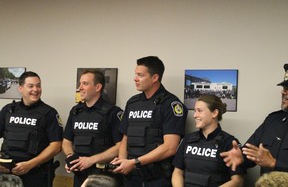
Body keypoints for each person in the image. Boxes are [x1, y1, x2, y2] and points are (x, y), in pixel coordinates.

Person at [112, 56, 188, 187]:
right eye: (135, 74)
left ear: (155, 78)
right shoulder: (132, 102)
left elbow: (170, 147)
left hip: (156, 178)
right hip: (131, 176)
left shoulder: (170, 104)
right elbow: (126, 138)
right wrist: (123, 161)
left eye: (140, 75)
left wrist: (134, 162)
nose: (135, 78)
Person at [220, 63, 288, 175]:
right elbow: (251, 153)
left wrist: (274, 163)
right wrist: (241, 158)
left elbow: (272, 162)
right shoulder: (272, 120)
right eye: (284, 88)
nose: (283, 92)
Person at [0, 71, 63, 187]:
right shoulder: (8, 110)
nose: (36, 89)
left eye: (38, 85)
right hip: (6, 173)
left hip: (35, 174)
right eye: (31, 86)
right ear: (20, 88)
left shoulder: (49, 113)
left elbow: (56, 146)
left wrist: (30, 164)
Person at [62, 69, 123, 187]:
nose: (80, 88)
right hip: (80, 175)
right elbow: (66, 140)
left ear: (97, 87)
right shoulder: (76, 112)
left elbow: (121, 146)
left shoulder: (113, 112)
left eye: (85, 84)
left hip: (104, 177)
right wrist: (71, 157)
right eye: (80, 84)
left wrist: (91, 160)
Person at [171, 94, 245, 187]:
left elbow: (238, 181)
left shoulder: (229, 143)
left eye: (200, 111)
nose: (195, 115)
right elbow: (177, 173)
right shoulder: (188, 139)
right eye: (195, 111)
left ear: (214, 113)